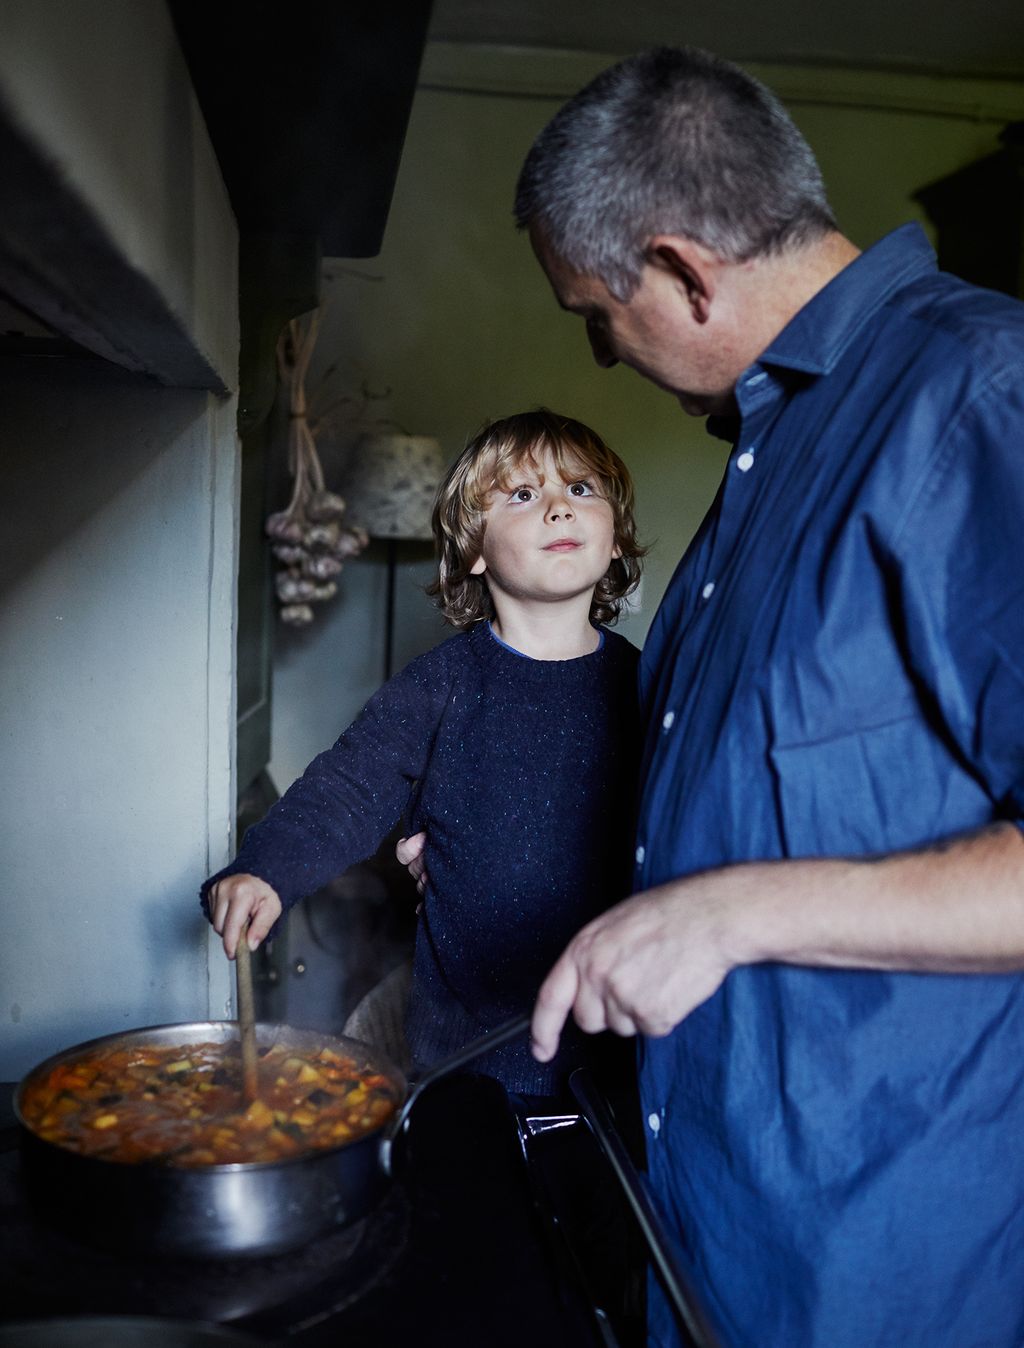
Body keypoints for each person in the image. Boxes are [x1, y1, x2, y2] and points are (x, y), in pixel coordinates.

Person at [401, 45, 1024, 1348]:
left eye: (596, 316)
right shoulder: (773, 452)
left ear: (684, 270)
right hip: (705, 1234)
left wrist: (732, 914)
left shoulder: (980, 396)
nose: (604, 358)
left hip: (879, 1276)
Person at [203, 408, 644, 1097]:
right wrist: (267, 870)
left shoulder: (650, 688)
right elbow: (349, 785)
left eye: (582, 490)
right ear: (474, 549)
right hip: (466, 1056)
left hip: (620, 1058)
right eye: (524, 495)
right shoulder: (441, 685)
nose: (560, 508)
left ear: (615, 539)